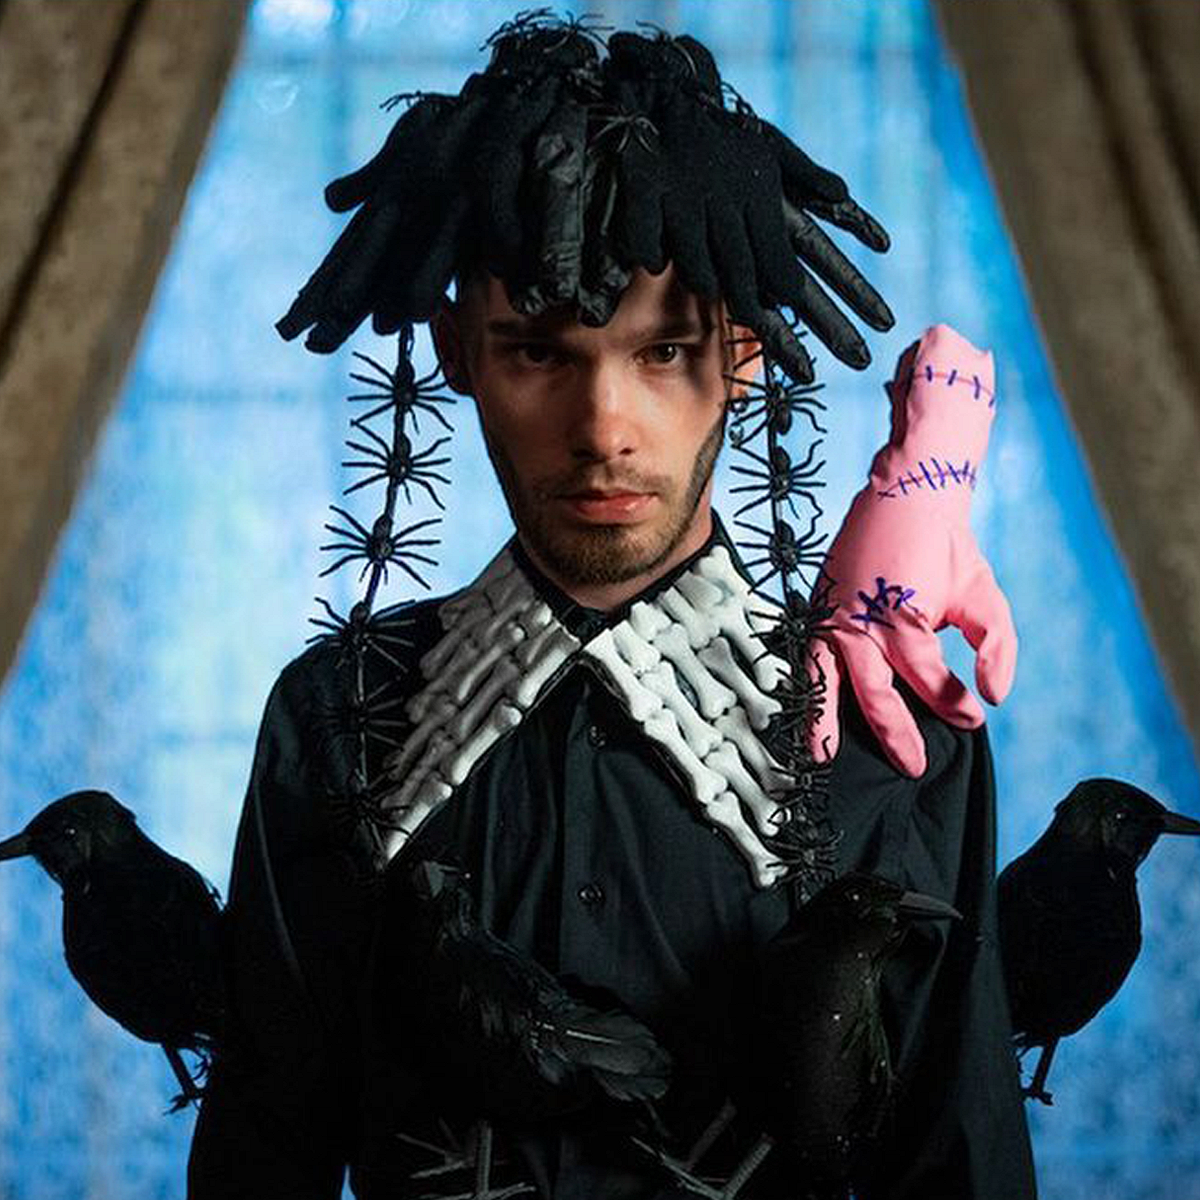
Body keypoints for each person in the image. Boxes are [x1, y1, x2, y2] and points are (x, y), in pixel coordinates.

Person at [187, 17, 1035, 1199]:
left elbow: (960, 1160)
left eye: (665, 352)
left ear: (743, 351)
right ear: (459, 356)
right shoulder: (337, 716)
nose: (603, 428)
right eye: (539, 353)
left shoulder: (889, 729)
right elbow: (260, 1154)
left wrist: (939, 439)